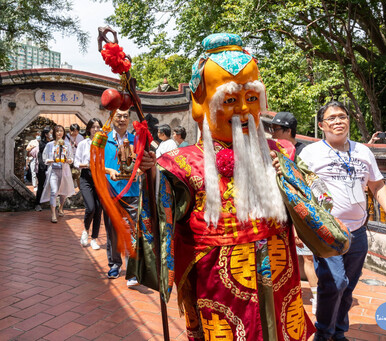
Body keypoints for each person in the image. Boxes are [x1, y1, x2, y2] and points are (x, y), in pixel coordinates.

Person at [129, 33, 317, 340]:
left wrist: (290, 179)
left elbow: (318, 204)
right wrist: (151, 180)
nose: (243, 109)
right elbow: (160, 223)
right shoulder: (179, 165)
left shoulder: (280, 152)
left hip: (278, 272)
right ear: (199, 103)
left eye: (252, 98)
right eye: (230, 100)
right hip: (217, 282)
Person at [299, 100, 386, 341]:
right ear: (322, 125)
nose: (337, 121)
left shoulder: (363, 152)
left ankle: (339, 331)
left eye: (342, 116)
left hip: (358, 232)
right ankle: (323, 332)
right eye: (331, 118)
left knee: (348, 287)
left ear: (349, 121)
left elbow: (377, 185)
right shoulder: (310, 153)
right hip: (326, 232)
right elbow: (299, 190)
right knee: (334, 283)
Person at [270, 111, 317, 311]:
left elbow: (308, 183)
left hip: (298, 209)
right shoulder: (272, 149)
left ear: (288, 130)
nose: (272, 133)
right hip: (277, 210)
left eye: (276, 129)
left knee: (307, 256)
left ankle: (316, 298)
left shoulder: (304, 153)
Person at [103, 109, 139, 288]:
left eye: (125, 116)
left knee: (134, 231)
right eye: (119, 116)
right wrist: (109, 171)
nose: (122, 119)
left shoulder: (136, 140)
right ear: (112, 117)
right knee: (113, 231)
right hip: (111, 191)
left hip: (132, 192)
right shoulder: (103, 140)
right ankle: (115, 265)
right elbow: (96, 164)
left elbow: (142, 161)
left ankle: (133, 271)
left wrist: (139, 170)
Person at [74, 119, 103, 250]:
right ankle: (85, 230)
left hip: (100, 177)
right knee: (90, 208)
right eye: (93, 127)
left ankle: (94, 239)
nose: (96, 129)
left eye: (98, 127)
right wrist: (87, 165)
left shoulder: (104, 144)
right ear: (89, 129)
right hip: (86, 176)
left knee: (98, 209)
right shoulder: (83, 144)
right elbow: (76, 162)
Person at [40, 125, 75, 223]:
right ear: (54, 133)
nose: (59, 133)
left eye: (61, 131)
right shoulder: (50, 145)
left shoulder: (67, 144)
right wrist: (52, 160)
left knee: (63, 192)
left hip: (64, 171)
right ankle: (53, 214)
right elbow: (44, 159)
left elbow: (71, 158)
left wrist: (68, 160)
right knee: (54, 191)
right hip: (53, 171)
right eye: (57, 131)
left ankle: (60, 207)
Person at [34, 127, 52, 211]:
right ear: (46, 134)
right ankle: (37, 203)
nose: (52, 134)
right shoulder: (42, 143)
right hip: (43, 168)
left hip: (52, 167)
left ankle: (51, 204)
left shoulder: (53, 143)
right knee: (41, 186)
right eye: (50, 133)